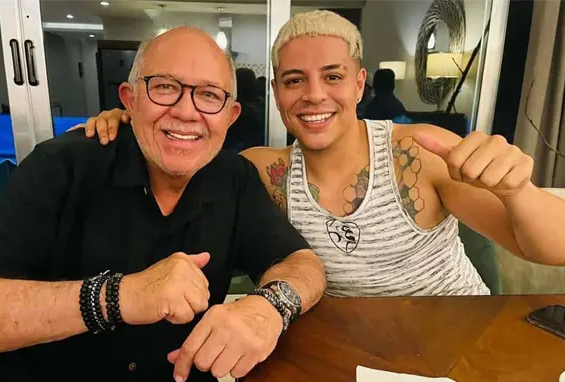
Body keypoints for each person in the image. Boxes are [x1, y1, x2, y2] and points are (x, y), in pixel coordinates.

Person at [81, 10, 565, 298]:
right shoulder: (261, 171)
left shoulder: (418, 151)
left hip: (458, 338)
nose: (314, 95)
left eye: (333, 76)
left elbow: (549, 250)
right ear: (276, 92)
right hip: (348, 356)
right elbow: (180, 156)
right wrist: (134, 122)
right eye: (295, 80)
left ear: (358, 84)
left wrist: (518, 192)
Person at [0, 27, 325, 382]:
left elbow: (302, 263)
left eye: (208, 94)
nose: (186, 111)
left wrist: (269, 307)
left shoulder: (234, 178)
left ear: (230, 116)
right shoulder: (62, 166)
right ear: (130, 99)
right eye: (165, 87)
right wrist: (116, 296)